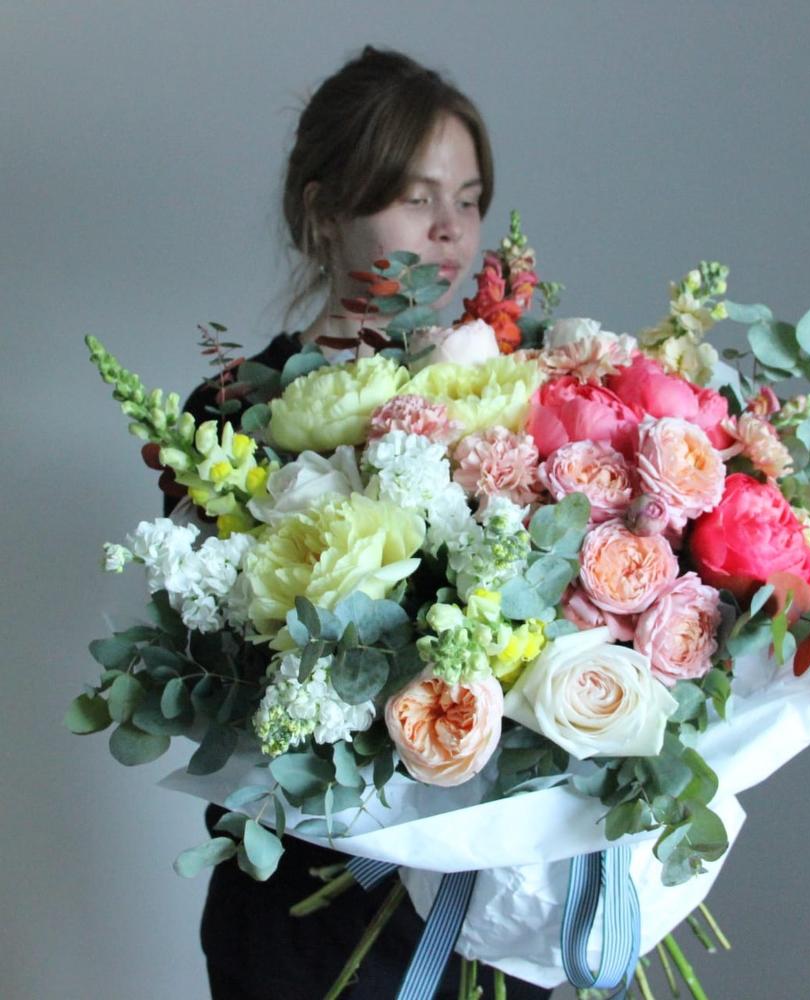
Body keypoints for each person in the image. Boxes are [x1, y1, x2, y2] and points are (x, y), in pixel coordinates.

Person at [169, 46, 552, 1000]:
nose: (450, 229)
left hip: (486, 916)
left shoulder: (510, 403)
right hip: (304, 913)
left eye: (469, 200)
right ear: (325, 210)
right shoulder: (229, 426)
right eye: (416, 198)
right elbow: (235, 678)